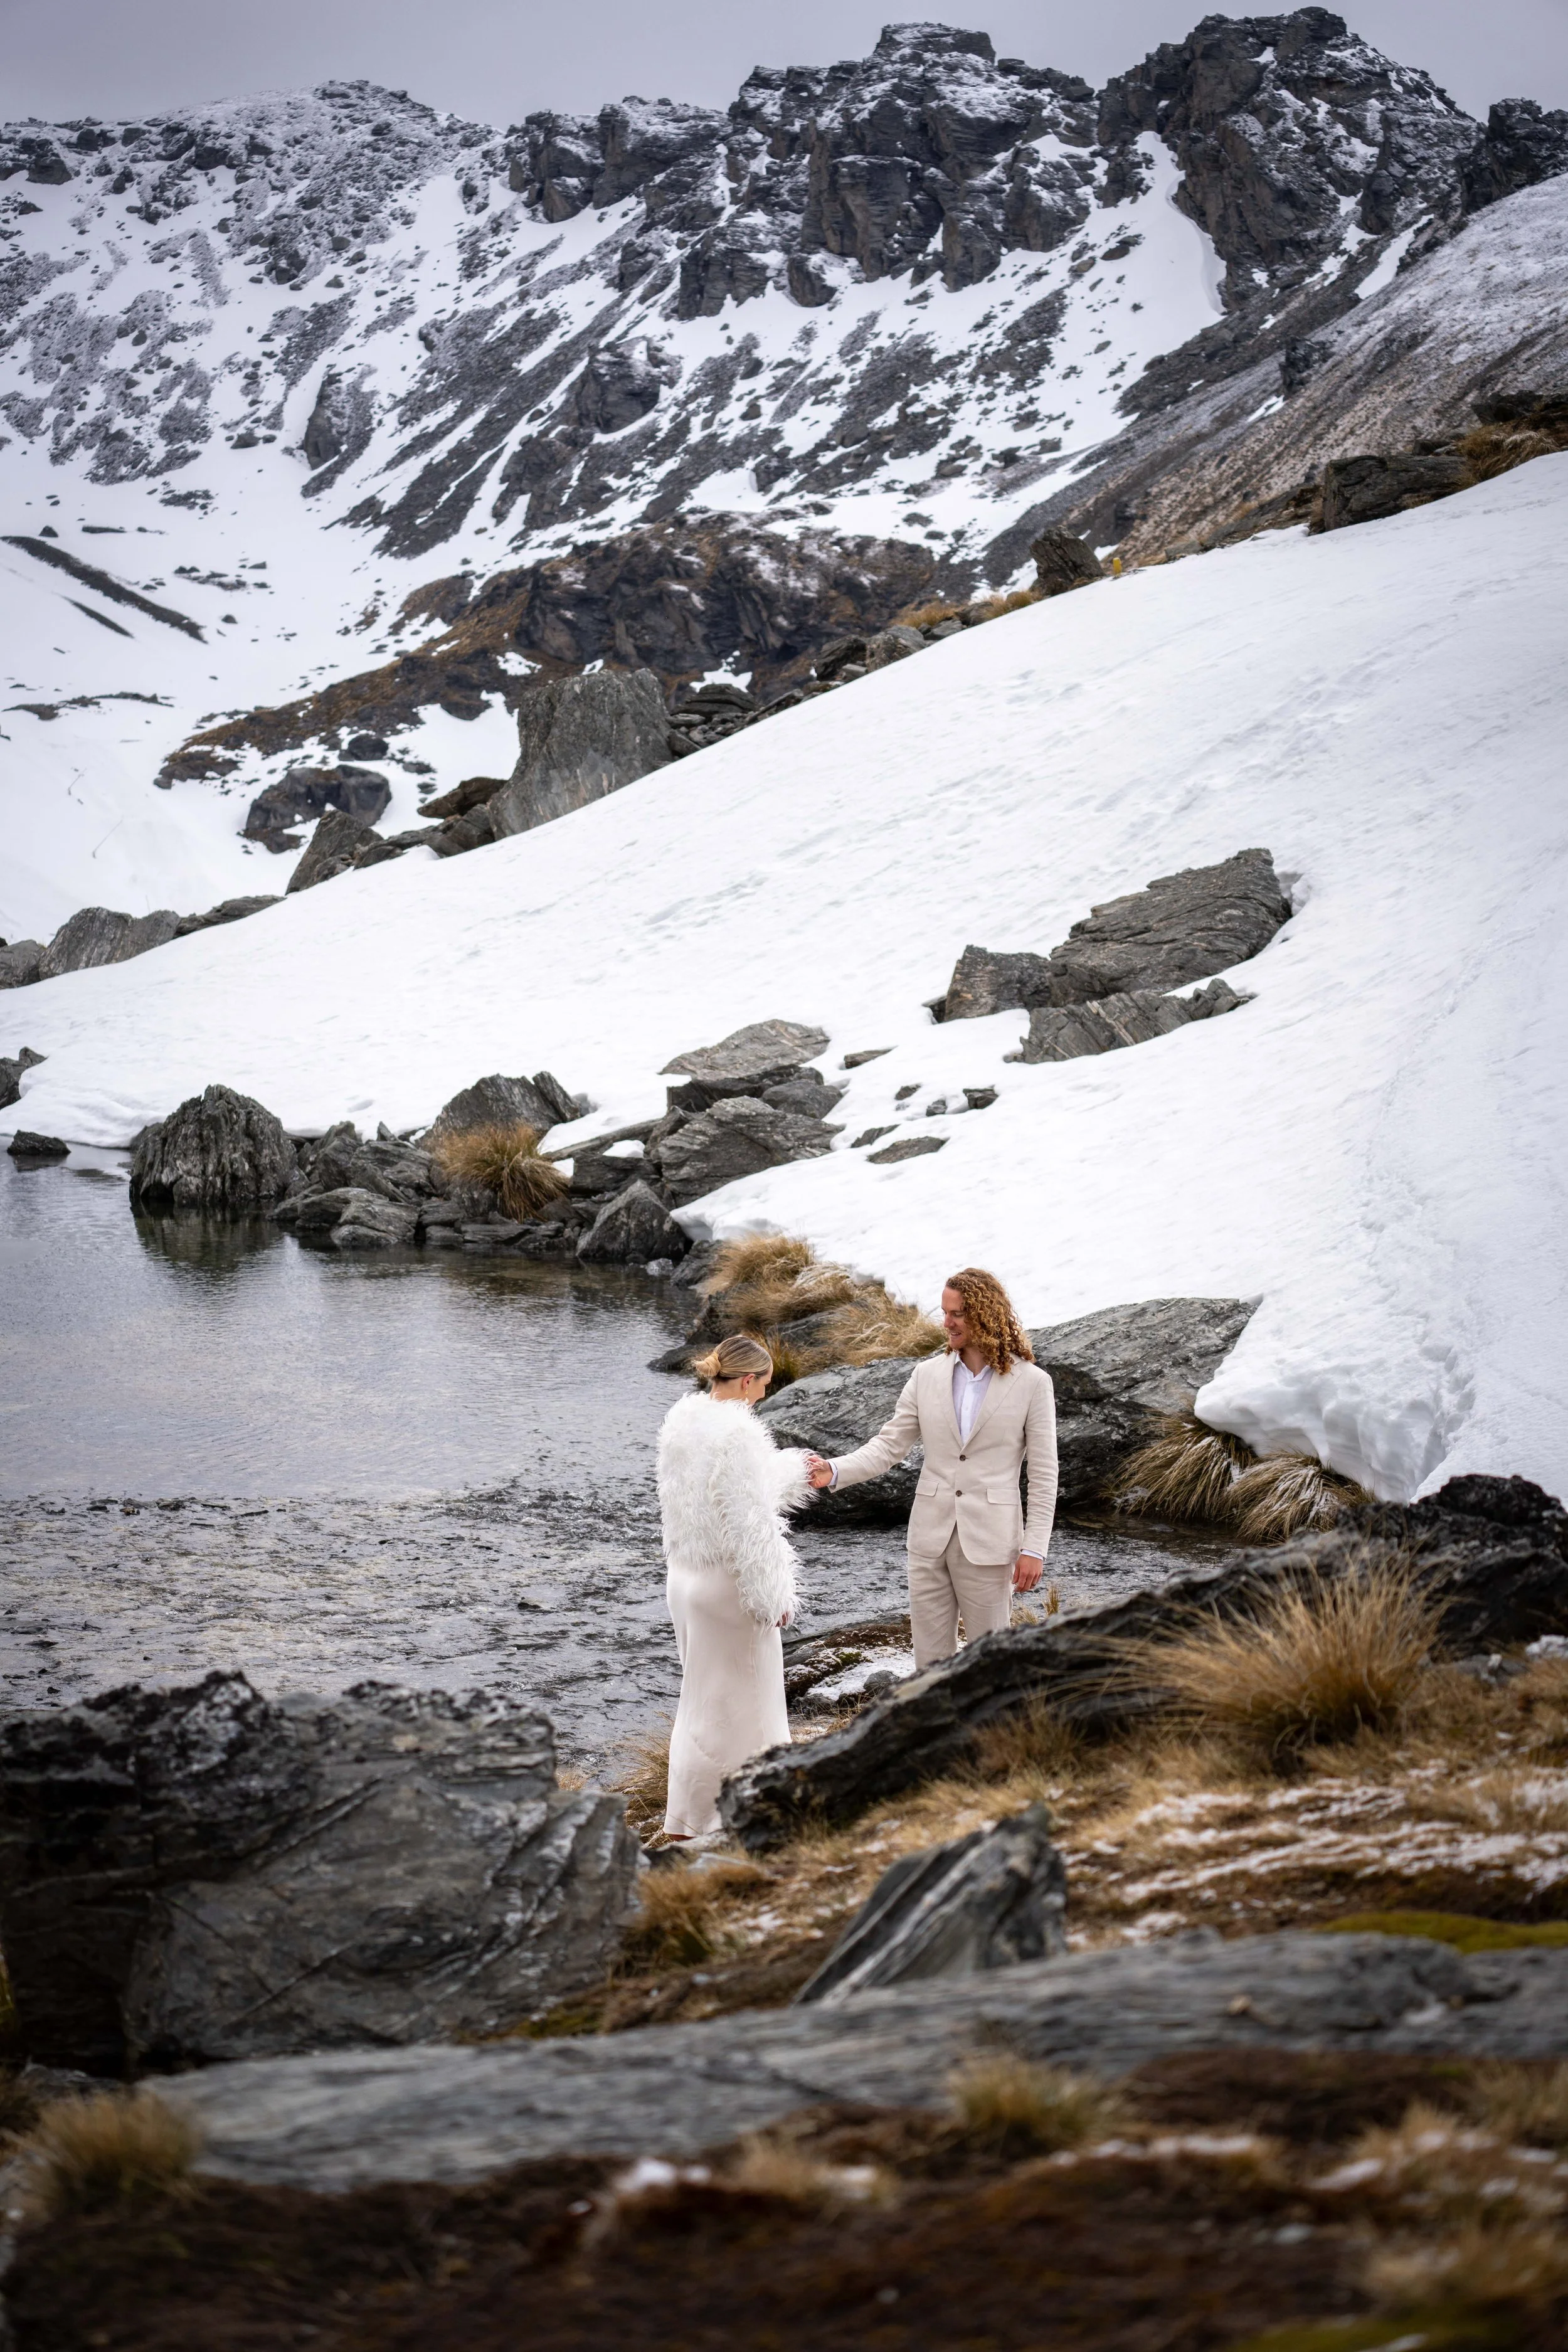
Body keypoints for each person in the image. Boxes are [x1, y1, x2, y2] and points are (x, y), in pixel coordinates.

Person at [808, 1266, 1057, 1670]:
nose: (947, 1323)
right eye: (944, 1312)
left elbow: (1044, 1474)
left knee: (990, 1664)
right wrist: (834, 1470)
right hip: (928, 1539)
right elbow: (889, 1445)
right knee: (929, 1664)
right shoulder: (926, 1375)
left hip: (991, 1543)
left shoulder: (1032, 1382)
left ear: (986, 1315)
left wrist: (1034, 1549)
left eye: (957, 1314)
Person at [656, 1332, 812, 1840]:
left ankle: (685, 1822)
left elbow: (719, 1493)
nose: (765, 1394)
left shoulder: (682, 1420)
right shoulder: (739, 1434)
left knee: (700, 1708)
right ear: (747, 1380)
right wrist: (774, 1596)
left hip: (685, 1580)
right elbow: (749, 1523)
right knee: (754, 1712)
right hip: (726, 1590)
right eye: (764, 1384)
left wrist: (794, 1469)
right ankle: (755, 1818)